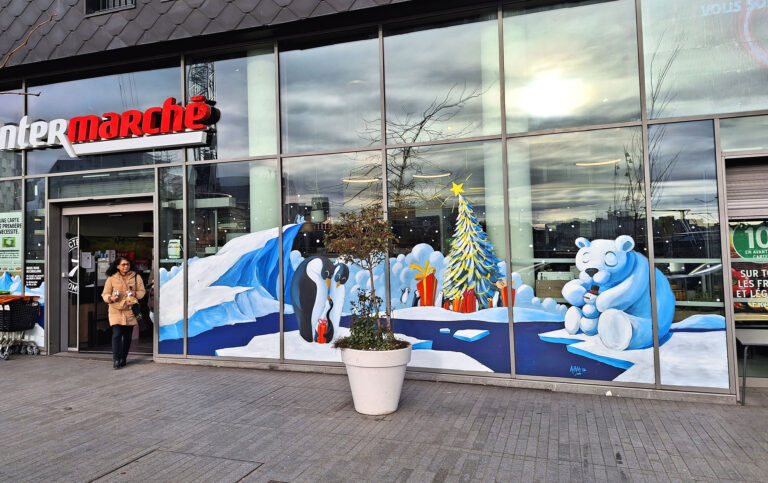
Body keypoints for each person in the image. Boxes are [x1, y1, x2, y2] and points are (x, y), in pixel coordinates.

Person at [102, 256, 145, 369]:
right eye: (123, 264)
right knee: (116, 334)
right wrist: (111, 298)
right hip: (115, 310)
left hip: (130, 310)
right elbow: (104, 294)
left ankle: (123, 358)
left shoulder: (136, 277)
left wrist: (135, 293)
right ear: (117, 266)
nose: (126, 266)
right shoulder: (111, 279)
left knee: (127, 336)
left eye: (127, 264)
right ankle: (116, 359)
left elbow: (142, 292)